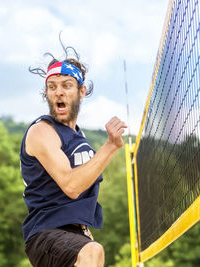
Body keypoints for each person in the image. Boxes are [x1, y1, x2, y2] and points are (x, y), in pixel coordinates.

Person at [20, 46, 127, 267]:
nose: (58, 92)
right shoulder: (42, 131)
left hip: (74, 235)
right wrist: (110, 146)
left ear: (81, 91)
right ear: (47, 93)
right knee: (93, 253)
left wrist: (84, 233)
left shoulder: (79, 136)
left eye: (67, 85)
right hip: (45, 233)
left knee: (93, 253)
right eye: (52, 87)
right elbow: (71, 185)